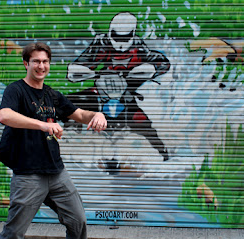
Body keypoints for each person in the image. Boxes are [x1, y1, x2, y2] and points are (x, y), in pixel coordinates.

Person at [0, 42, 107, 239]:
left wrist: (98, 114)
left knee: (78, 221)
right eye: (36, 61)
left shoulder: (52, 95)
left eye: (45, 61)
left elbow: (79, 114)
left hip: (56, 173)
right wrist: (42, 125)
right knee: (14, 231)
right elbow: (5, 116)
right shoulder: (16, 90)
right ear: (26, 63)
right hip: (28, 174)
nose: (41, 66)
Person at [67, 12, 170, 161]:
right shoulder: (101, 44)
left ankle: (163, 153)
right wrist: (84, 72)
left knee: (142, 122)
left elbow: (161, 62)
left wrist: (152, 68)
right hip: (101, 92)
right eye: (116, 36)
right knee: (68, 104)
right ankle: (66, 142)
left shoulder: (138, 47)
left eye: (125, 37)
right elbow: (80, 64)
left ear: (132, 34)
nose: (120, 41)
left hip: (125, 95)